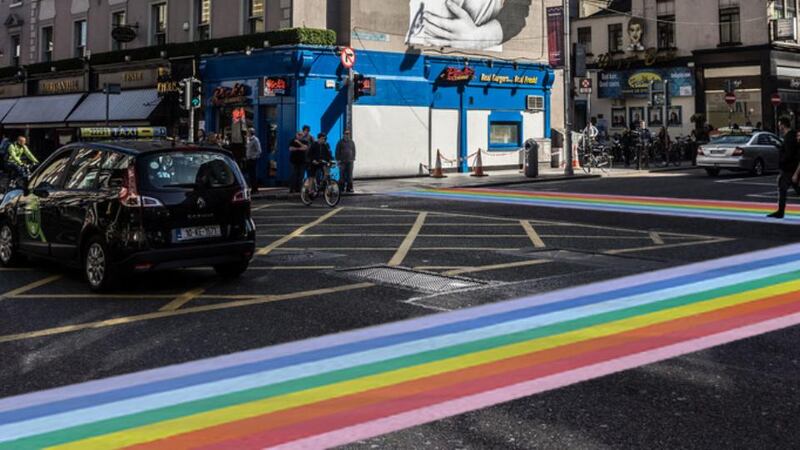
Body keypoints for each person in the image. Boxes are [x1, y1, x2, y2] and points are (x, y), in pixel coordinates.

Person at [768, 117, 800, 219]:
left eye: (779, 125)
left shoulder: (789, 137)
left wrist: (782, 160)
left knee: (784, 188)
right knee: (784, 188)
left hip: (790, 169)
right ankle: (780, 211)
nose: (778, 127)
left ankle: (780, 212)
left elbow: (789, 154)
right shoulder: (791, 136)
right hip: (790, 169)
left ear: (782, 125)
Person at [245, 128, 262, 194]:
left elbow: (259, 150)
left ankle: (255, 189)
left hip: (252, 159)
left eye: (248, 132)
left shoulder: (255, 140)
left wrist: (253, 157)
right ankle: (253, 188)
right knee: (250, 175)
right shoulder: (248, 139)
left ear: (250, 133)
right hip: (248, 159)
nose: (247, 134)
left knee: (253, 174)